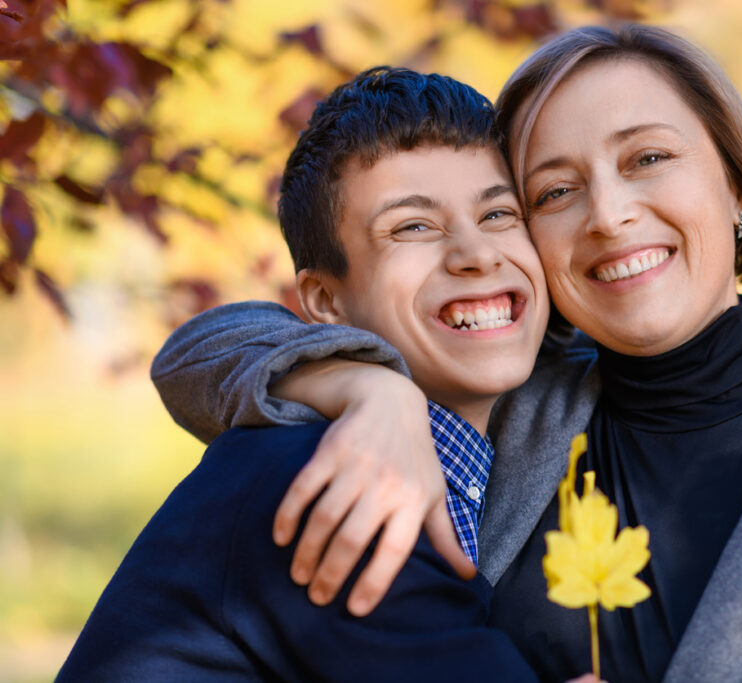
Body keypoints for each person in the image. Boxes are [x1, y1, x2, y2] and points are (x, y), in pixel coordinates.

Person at [151, 26, 742, 682]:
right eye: (555, 191)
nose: (608, 214)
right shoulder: (505, 390)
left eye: (647, 158)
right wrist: (370, 391)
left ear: (739, 189)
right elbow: (203, 348)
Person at [56, 66, 555, 681]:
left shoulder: (507, 437)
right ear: (324, 302)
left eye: (499, 214)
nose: (477, 255)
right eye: (413, 227)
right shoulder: (323, 477)